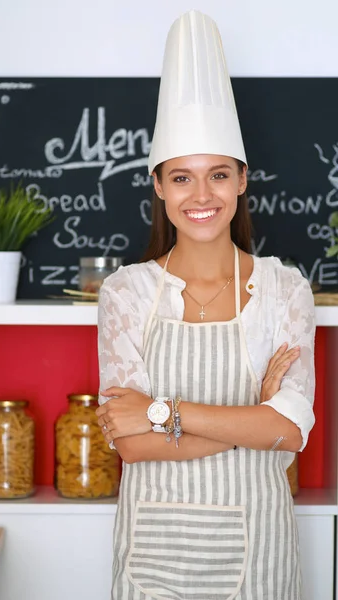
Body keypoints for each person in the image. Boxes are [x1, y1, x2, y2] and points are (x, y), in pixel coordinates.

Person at [96, 10, 315, 600]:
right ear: (159, 186)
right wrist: (255, 417)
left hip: (259, 558)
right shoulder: (126, 292)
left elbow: (292, 432)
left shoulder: (283, 288)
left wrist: (162, 412)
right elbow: (130, 443)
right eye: (182, 178)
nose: (201, 196)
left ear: (242, 180)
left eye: (218, 175)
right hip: (153, 559)